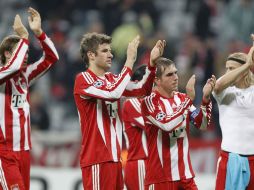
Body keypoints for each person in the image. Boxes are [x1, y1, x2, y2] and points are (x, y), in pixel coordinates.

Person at [73, 32, 165, 189]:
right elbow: (112, 94)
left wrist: (151, 64)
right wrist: (129, 61)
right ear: (91, 55)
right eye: (104, 51)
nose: (110, 54)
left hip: (115, 159)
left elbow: (142, 89)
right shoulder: (83, 79)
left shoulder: (111, 79)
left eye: (110, 50)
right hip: (96, 159)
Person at [0, 8, 59, 190]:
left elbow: (52, 58)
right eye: (21, 51)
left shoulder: (25, 76)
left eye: (26, 52)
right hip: (4, 151)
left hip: (24, 151)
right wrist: (24, 36)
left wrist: (39, 34)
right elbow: (14, 66)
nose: (26, 55)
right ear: (7, 55)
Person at [141, 57, 216, 190]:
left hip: (185, 176)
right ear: (157, 80)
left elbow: (202, 124)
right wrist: (188, 100)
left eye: (175, 72)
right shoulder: (149, 102)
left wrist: (205, 99)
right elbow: (167, 125)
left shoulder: (181, 98)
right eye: (169, 74)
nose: (175, 77)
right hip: (160, 179)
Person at [213, 36, 254, 190]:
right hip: (230, 159)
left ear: (244, 71)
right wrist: (247, 64)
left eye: (232, 69)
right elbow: (218, 85)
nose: (227, 72)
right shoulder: (224, 93)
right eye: (227, 68)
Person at [122, 64, 148, 190]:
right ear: (137, 82)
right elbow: (151, 124)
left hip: (149, 162)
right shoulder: (131, 103)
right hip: (140, 162)